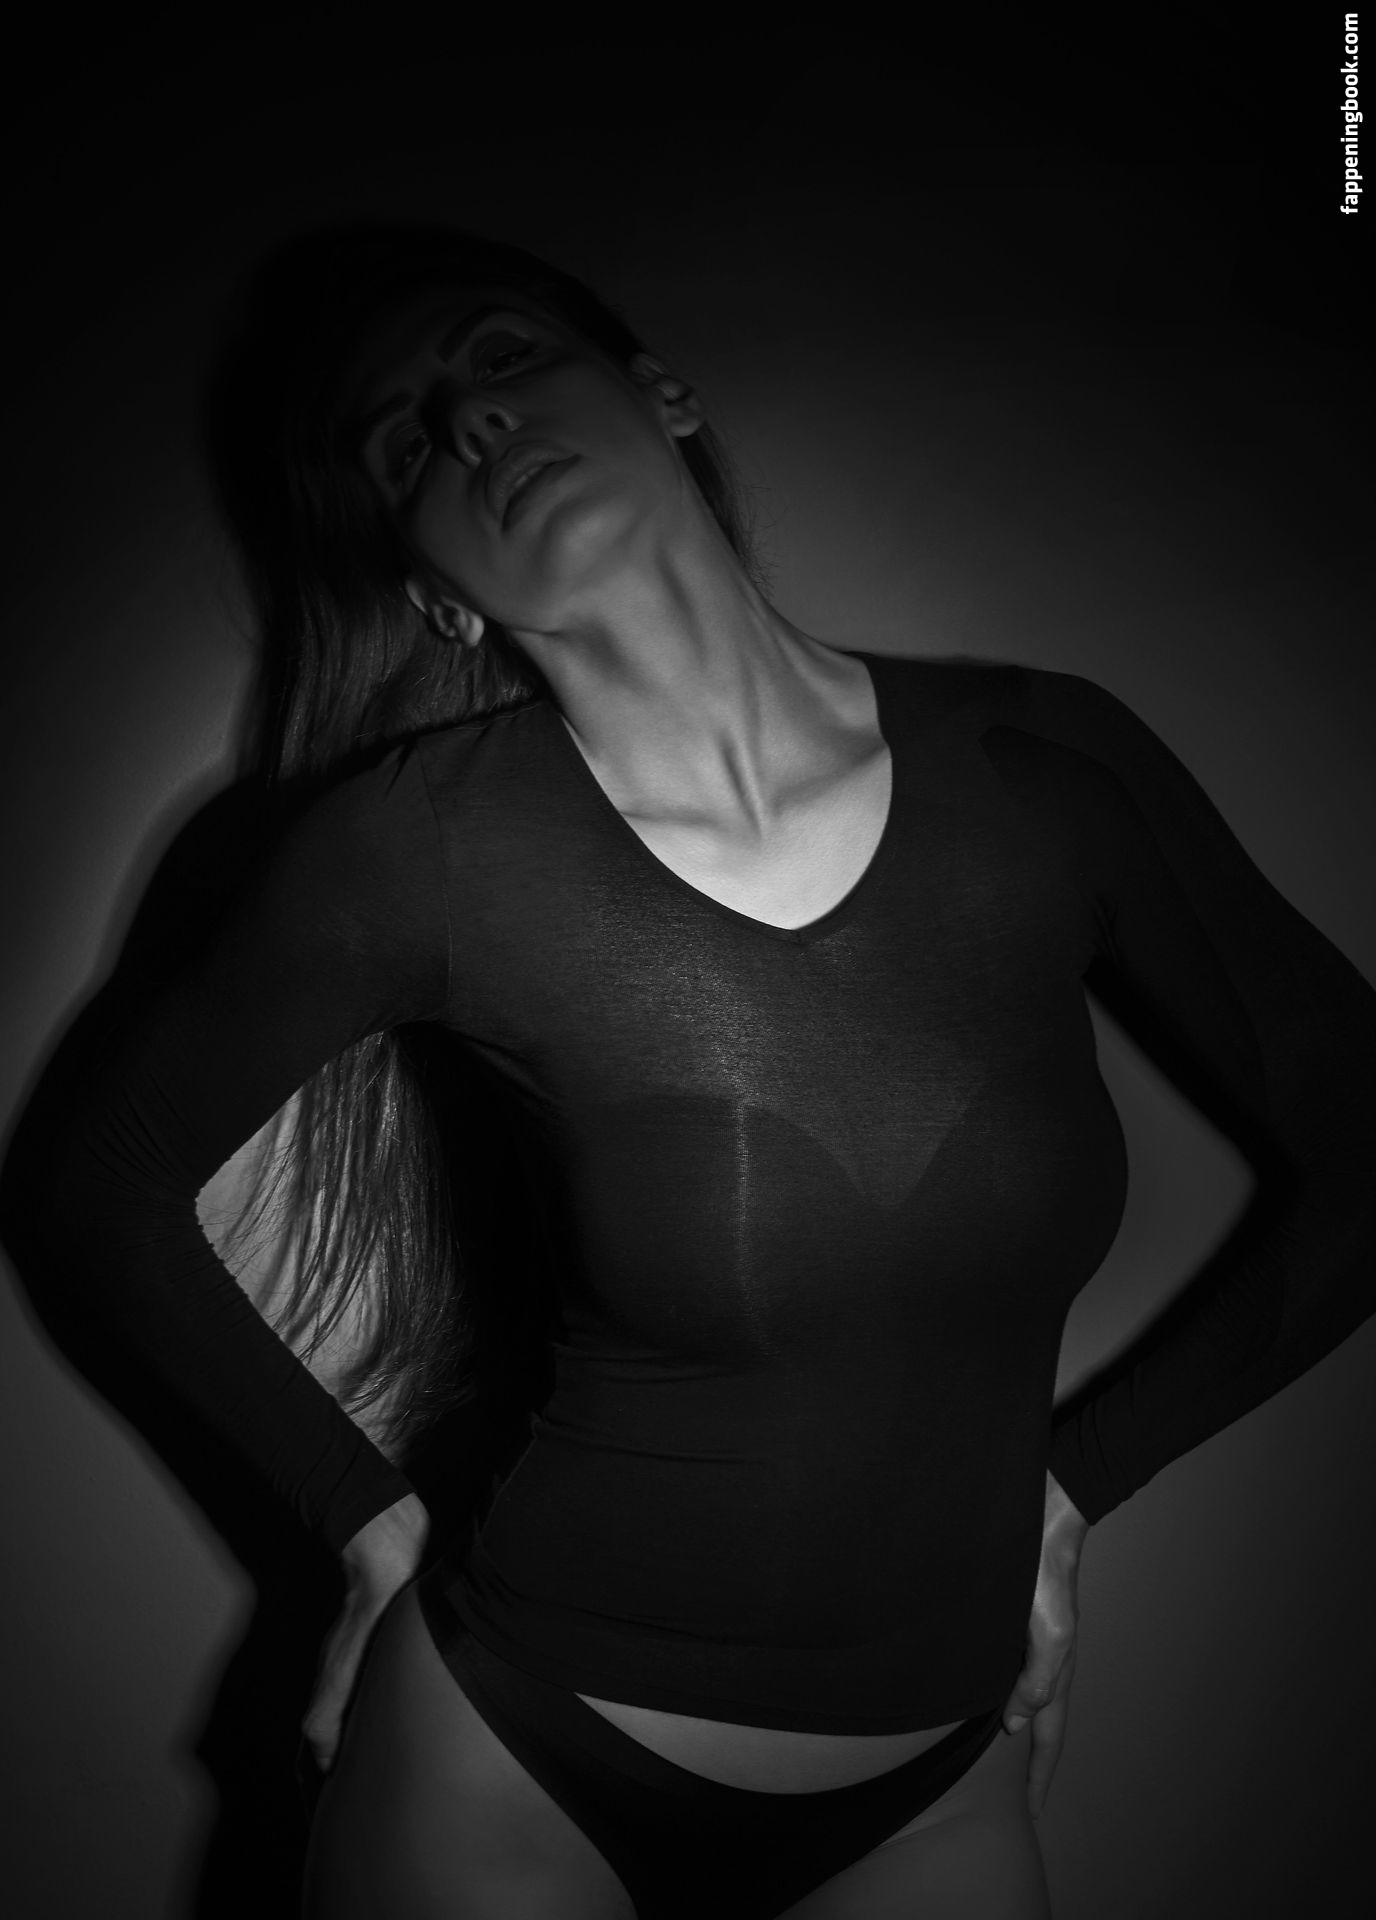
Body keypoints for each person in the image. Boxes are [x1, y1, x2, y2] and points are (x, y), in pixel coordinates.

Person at [7, 220, 1375, 1920]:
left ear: (661, 396)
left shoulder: (1047, 766)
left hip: (937, 1787)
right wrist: (366, 1530)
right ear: (436, 591)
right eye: (407, 442)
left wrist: (1081, 1490)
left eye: (504, 358)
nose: (472, 422)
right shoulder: (414, 852)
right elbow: (94, 1188)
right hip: (517, 1756)